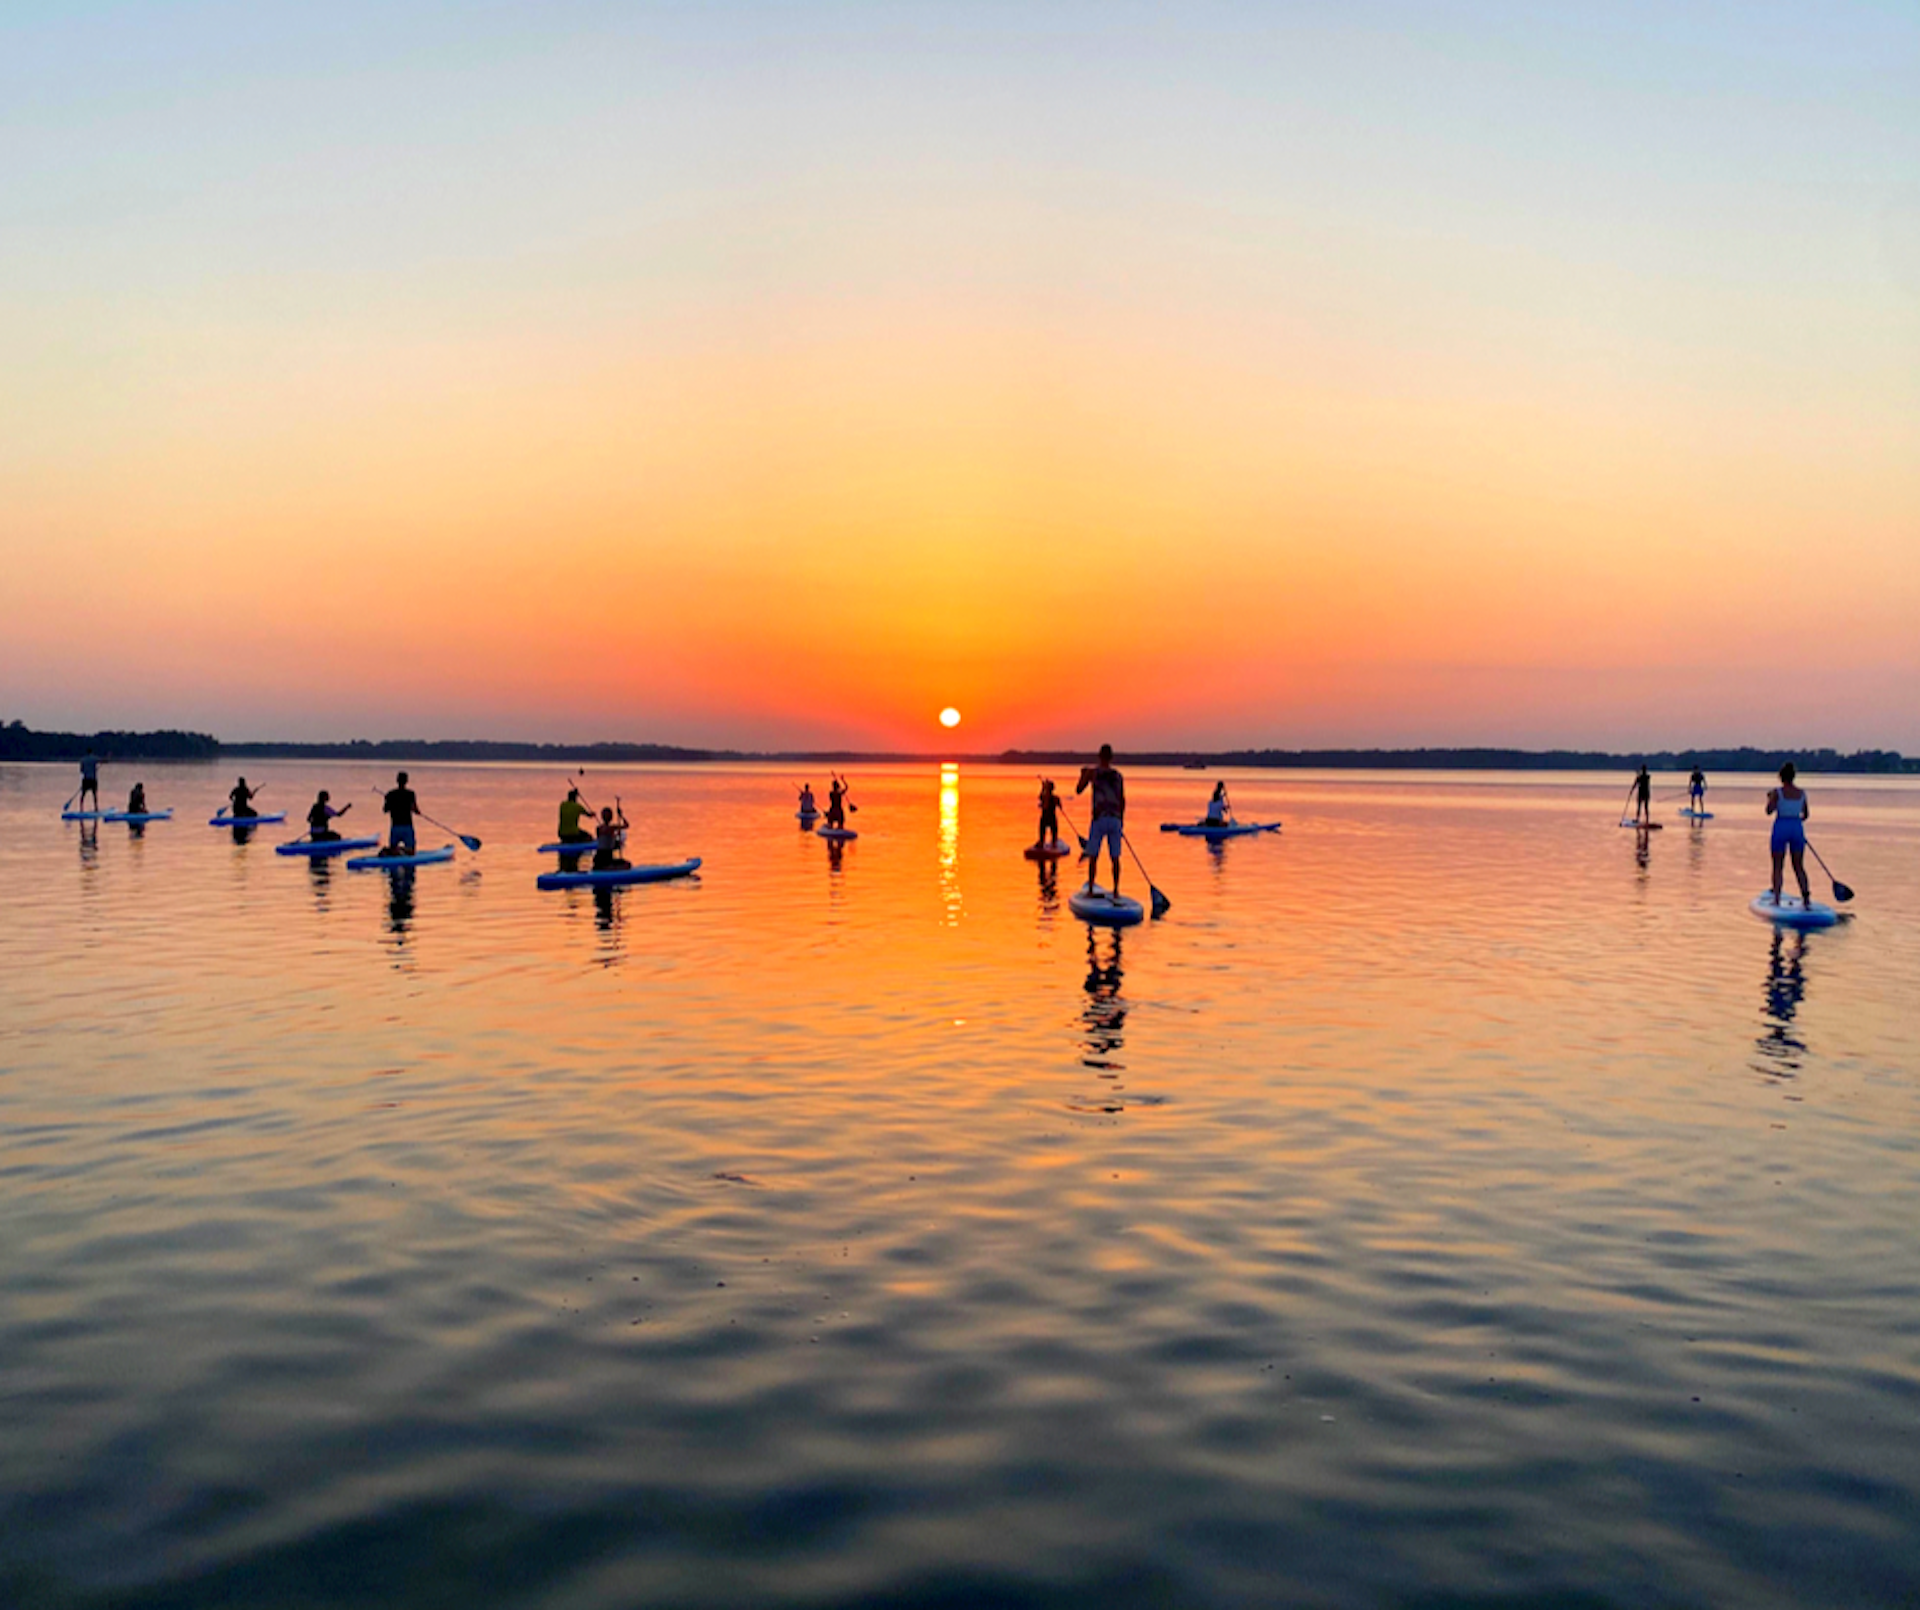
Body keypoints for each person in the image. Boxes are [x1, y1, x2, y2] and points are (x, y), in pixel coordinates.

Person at [1076, 744, 1126, 894]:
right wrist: (1121, 821)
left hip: (1099, 819)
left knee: (1093, 856)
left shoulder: (1093, 773)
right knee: (1115, 857)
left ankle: (1091, 889)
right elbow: (1122, 800)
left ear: (1099, 756)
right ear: (1111, 757)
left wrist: (1083, 775)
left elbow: (1078, 789)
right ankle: (1116, 889)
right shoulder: (1118, 776)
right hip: (1115, 819)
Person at [1765, 761, 1812, 907]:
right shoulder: (1801, 793)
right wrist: (1795, 822)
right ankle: (1806, 899)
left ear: (1781, 777)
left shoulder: (1777, 793)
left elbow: (1768, 811)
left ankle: (1776, 899)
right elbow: (1806, 815)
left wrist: (1770, 798)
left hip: (1781, 826)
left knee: (1778, 865)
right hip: (1796, 827)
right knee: (1798, 865)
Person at [382, 771, 419, 855]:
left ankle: (395, 850)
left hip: (395, 826)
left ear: (397, 780)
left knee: (393, 850)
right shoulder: (411, 794)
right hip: (407, 826)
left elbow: (385, 810)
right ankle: (400, 850)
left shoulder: (391, 794)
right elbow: (415, 809)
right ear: (406, 781)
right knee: (412, 852)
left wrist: (387, 800)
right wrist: (417, 811)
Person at [592, 804, 631, 872]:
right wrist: (620, 816)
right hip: (603, 858)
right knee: (626, 865)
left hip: (606, 857)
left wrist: (620, 815)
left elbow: (626, 825)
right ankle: (605, 868)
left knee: (627, 864)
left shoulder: (600, 828)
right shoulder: (609, 828)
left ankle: (607, 867)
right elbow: (626, 825)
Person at [1035, 779, 1062, 849]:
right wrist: (1043, 788)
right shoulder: (1054, 798)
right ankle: (1050, 842)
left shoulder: (1051, 798)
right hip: (1049, 818)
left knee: (1047, 832)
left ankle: (1045, 842)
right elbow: (1060, 806)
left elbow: (1041, 796)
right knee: (1051, 833)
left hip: (1047, 818)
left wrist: (1043, 788)